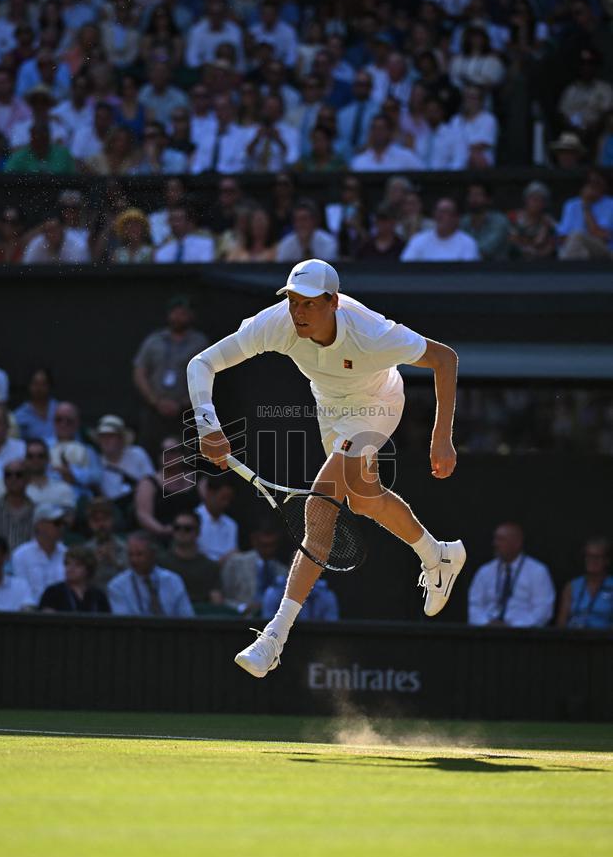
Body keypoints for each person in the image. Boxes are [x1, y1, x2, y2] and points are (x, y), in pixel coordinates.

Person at [188, 258, 466, 678]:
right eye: (294, 302)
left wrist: (441, 436)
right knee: (364, 499)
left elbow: (445, 359)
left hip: (378, 405)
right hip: (330, 410)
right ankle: (438, 554)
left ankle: (273, 638)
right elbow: (201, 364)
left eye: (310, 304)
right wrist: (207, 424)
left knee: (319, 507)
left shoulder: (371, 334)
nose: (298, 313)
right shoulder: (278, 323)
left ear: (333, 302)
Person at [133, 297, 209, 456]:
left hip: (186, 411)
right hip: (154, 408)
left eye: (183, 314)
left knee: (185, 454)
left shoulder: (200, 342)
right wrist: (155, 401)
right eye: (175, 313)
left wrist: (183, 403)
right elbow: (140, 371)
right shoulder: (154, 340)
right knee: (149, 450)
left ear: (191, 316)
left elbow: (209, 375)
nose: (178, 318)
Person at [468, 522, 555, 627]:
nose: (495, 544)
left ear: (517, 543)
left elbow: (543, 610)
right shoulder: (485, 571)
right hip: (487, 632)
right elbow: (474, 605)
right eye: (495, 539)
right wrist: (486, 623)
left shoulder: (537, 571)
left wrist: (513, 627)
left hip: (523, 635)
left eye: (501, 539)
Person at [107, 530, 194, 617]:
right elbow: (124, 624)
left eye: (139, 554)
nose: (134, 560)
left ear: (153, 554)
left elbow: (187, 617)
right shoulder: (117, 586)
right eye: (130, 555)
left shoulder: (173, 581)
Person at [134, 436, 199, 543]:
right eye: (163, 451)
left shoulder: (196, 478)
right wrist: (162, 530)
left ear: (183, 454)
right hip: (159, 540)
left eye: (172, 451)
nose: (167, 455)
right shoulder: (148, 483)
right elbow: (143, 515)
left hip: (195, 537)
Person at [161, 510, 224, 610]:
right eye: (177, 528)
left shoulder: (210, 566)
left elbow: (216, 600)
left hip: (201, 618)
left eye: (187, 529)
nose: (181, 532)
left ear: (198, 532)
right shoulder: (161, 563)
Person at [221, 523, 288, 615]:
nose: (269, 550)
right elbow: (222, 598)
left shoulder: (283, 571)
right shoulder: (235, 564)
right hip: (239, 621)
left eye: (272, 545)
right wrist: (242, 608)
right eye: (264, 545)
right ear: (254, 540)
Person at [95, 414, 154, 514]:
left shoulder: (138, 454)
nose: (106, 440)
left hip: (141, 508)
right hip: (113, 513)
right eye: (103, 436)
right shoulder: (95, 463)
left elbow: (152, 483)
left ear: (121, 439)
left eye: (111, 436)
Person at [11, 502, 68, 604]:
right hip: (32, 613)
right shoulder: (21, 555)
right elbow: (21, 591)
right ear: (40, 525)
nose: (61, 527)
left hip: (63, 613)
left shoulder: (67, 553)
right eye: (56, 523)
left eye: (62, 523)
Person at [556, 538, 613, 630]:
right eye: (588, 556)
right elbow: (561, 623)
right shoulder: (572, 586)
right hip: (574, 638)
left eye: (597, 557)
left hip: (604, 640)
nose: (592, 561)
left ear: (607, 560)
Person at [556, 169, 613, 259]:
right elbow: (561, 238)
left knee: (577, 236)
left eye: (596, 182)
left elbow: (601, 236)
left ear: (604, 184)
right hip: (576, 251)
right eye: (589, 182)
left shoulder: (610, 204)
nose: (592, 186)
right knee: (579, 250)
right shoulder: (571, 204)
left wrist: (586, 206)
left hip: (604, 252)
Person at [401, 199, 480, 261]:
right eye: (438, 211)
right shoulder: (418, 240)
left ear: (456, 218)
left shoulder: (468, 243)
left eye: (445, 212)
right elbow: (406, 269)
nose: (440, 215)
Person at [0, 459, 34, 552]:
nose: (13, 479)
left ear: (28, 479)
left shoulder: (37, 510)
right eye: (8, 475)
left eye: (19, 475)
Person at [39, 545, 111, 613]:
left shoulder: (98, 596)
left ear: (88, 569)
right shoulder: (53, 592)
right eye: (68, 564)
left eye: (77, 565)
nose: (70, 568)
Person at [351, 114, 424, 173]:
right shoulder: (359, 161)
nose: (378, 132)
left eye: (381, 128)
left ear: (390, 132)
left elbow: (423, 174)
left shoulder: (405, 156)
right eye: (374, 128)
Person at [83, 497, 128, 587]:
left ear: (112, 520)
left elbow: (134, 577)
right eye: (96, 520)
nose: (101, 524)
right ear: (90, 523)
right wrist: (93, 563)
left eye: (105, 519)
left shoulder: (125, 547)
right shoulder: (84, 551)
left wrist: (114, 560)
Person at [460, 182, 510, 260]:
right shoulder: (463, 221)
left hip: (496, 269)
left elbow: (486, 250)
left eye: (478, 195)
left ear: (488, 199)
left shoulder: (499, 221)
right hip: (465, 269)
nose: (474, 199)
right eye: (471, 195)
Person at [24, 438, 76, 513]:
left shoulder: (63, 489)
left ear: (48, 459)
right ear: (25, 460)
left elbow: (69, 518)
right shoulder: (18, 492)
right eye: (30, 456)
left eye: (40, 456)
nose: (35, 460)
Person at [195, 475, 239, 564]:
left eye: (229, 500)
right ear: (210, 493)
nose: (226, 504)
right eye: (223, 498)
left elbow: (233, 553)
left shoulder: (231, 524)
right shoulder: (194, 519)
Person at [508, 182, 557, 260]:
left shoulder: (548, 221)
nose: (536, 204)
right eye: (534, 199)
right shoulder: (514, 217)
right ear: (526, 200)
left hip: (541, 262)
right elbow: (512, 241)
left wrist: (545, 228)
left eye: (540, 200)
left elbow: (553, 244)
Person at [262, 575, 340, 621]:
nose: (304, 574)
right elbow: (268, 625)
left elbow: (331, 626)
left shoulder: (327, 595)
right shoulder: (273, 592)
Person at [14, 368, 59, 444]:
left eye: (43, 384)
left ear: (50, 386)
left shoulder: (61, 410)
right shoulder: (19, 415)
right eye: (35, 384)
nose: (39, 388)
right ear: (29, 386)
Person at [21, 218, 91, 264]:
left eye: (55, 229)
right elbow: (26, 269)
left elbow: (83, 274)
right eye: (48, 230)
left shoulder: (77, 245)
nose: (52, 234)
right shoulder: (37, 243)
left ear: (62, 229)